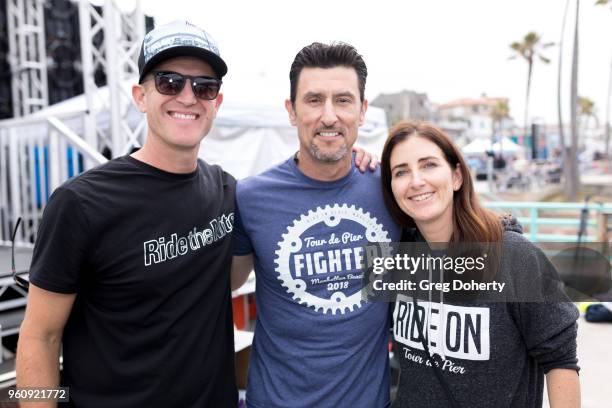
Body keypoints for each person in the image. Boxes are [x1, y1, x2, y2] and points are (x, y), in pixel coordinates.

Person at [16, 20, 237, 407]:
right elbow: (39, 336)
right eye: (170, 82)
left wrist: (355, 164)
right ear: (140, 96)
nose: (188, 97)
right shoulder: (80, 203)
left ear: (216, 103)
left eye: (204, 87)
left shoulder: (226, 190)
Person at [231, 42, 401, 407]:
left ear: (362, 110)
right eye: (313, 100)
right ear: (291, 111)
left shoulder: (391, 190)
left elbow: (452, 237)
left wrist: (503, 235)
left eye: (342, 100)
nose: (329, 116)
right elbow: (219, 286)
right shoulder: (251, 197)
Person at [380, 120, 580, 408]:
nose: (415, 181)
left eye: (429, 165)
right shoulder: (400, 257)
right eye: (401, 172)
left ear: (457, 176)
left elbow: (560, 359)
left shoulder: (514, 256)